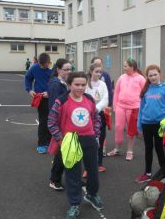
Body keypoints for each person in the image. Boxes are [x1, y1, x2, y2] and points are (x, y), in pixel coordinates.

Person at [48, 72, 103, 219]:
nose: (80, 87)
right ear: (69, 84)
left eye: (83, 85)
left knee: (93, 171)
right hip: (70, 141)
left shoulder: (89, 99)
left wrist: (95, 134)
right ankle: (74, 204)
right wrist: (61, 140)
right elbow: (51, 122)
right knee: (73, 175)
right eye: (77, 84)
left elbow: (97, 118)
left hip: (89, 140)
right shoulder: (62, 101)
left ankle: (91, 194)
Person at [107, 58, 146, 161]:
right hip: (121, 106)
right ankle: (117, 149)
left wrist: (142, 108)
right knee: (118, 127)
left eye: (125, 66)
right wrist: (115, 105)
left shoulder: (141, 78)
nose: (124, 68)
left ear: (132, 67)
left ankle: (130, 151)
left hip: (134, 108)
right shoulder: (122, 77)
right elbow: (116, 92)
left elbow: (145, 94)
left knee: (131, 131)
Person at [135, 65, 165, 183]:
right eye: (150, 75)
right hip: (146, 123)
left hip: (160, 125)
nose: (153, 77)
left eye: (155, 74)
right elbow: (141, 109)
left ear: (160, 74)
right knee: (148, 148)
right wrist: (139, 124)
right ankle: (148, 173)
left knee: (159, 148)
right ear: (147, 77)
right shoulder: (146, 90)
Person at [47, 58, 72, 191]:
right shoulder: (57, 84)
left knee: (65, 152)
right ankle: (54, 179)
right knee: (62, 152)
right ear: (58, 70)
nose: (68, 71)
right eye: (65, 69)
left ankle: (67, 178)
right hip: (61, 123)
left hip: (68, 122)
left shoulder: (65, 82)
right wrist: (56, 126)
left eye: (70, 69)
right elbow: (54, 106)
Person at [25, 53, 53, 154]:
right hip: (41, 98)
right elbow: (28, 78)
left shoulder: (54, 69)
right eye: (41, 65)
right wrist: (29, 90)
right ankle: (41, 144)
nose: (43, 67)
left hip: (53, 98)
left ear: (49, 62)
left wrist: (50, 93)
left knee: (53, 121)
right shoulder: (34, 68)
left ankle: (50, 142)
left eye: (45, 64)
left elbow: (59, 83)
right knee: (43, 121)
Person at [85, 63, 108, 172]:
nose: (98, 74)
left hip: (99, 114)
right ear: (91, 71)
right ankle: (87, 166)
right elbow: (83, 98)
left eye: (100, 72)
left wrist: (96, 109)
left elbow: (105, 99)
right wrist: (90, 110)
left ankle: (99, 163)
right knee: (89, 139)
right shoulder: (86, 84)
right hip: (87, 115)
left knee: (100, 138)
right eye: (96, 71)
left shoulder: (103, 84)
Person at [91, 56, 113, 156]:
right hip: (89, 112)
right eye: (96, 65)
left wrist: (100, 107)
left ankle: (101, 152)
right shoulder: (86, 81)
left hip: (101, 111)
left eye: (100, 65)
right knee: (91, 133)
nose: (98, 73)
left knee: (101, 132)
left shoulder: (104, 80)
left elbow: (107, 93)